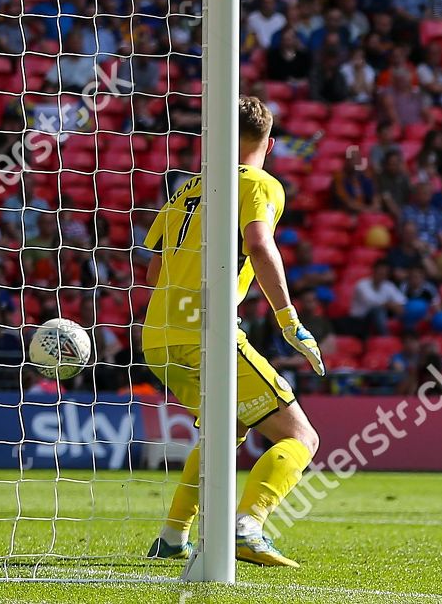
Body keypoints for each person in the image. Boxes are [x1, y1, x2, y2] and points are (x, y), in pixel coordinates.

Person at [141, 96, 325, 567]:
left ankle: (172, 535)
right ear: (271, 143)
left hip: (158, 336)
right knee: (301, 437)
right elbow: (260, 245)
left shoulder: (187, 189)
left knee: (228, 430)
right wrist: (289, 321)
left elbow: (155, 264)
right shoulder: (260, 183)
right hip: (207, 333)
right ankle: (247, 528)